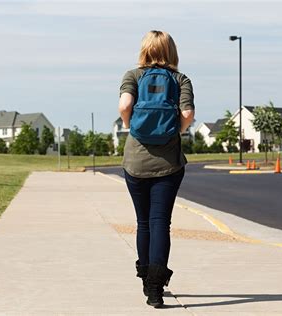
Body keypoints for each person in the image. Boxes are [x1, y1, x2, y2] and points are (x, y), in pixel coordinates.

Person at [118, 30, 195, 308]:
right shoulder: (180, 79)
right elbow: (187, 114)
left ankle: (144, 278)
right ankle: (155, 289)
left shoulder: (133, 76)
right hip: (169, 163)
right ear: (171, 51)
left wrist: (130, 126)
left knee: (142, 222)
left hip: (135, 161)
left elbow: (125, 104)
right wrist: (178, 130)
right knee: (160, 222)